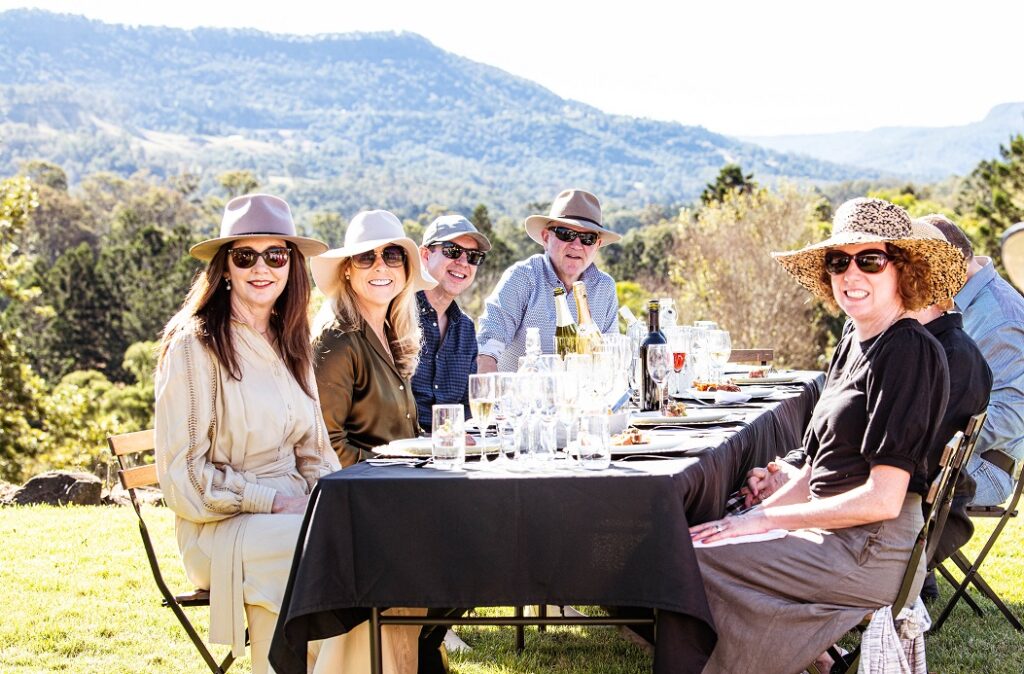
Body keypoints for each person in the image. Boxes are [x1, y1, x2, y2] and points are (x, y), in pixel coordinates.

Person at [688, 197, 965, 673]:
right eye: (839, 261)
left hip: (871, 549)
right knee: (698, 544)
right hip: (838, 534)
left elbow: (882, 500)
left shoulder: (907, 352)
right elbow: (817, 468)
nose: (851, 274)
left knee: (686, 565)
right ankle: (785, 655)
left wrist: (764, 524)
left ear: (903, 269)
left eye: (870, 260)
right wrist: (755, 514)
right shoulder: (854, 341)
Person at [154, 194, 341, 674]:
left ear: (291, 266)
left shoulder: (291, 343)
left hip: (294, 518)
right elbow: (186, 481)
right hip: (216, 529)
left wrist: (336, 501)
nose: (261, 268)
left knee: (359, 537)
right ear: (226, 268)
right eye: (245, 256)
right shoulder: (195, 345)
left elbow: (316, 453)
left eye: (275, 255)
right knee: (333, 553)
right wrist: (274, 502)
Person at [311, 209, 436, 466]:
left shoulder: (393, 336)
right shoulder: (336, 340)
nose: (380, 266)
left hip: (399, 484)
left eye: (392, 255)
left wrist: (440, 443)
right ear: (347, 270)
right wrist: (398, 467)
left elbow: (401, 437)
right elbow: (327, 445)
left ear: (404, 269)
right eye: (365, 257)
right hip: (364, 493)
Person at [923, 214, 1024, 506]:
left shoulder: (1002, 318)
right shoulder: (959, 301)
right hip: (954, 456)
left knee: (889, 480)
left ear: (950, 261)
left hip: (984, 466)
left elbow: (1011, 417)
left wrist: (930, 440)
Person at [476, 188, 621, 373]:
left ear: (597, 245)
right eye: (565, 234)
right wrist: (491, 397)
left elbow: (610, 356)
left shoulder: (605, 287)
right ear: (546, 237)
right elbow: (487, 346)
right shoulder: (522, 277)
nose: (576, 245)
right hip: (522, 398)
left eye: (587, 238)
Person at [412, 214, 491, 431]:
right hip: (403, 452)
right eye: (452, 251)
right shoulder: (398, 317)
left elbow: (469, 407)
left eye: (473, 256)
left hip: (452, 451)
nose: (463, 263)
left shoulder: (465, 328)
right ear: (425, 255)